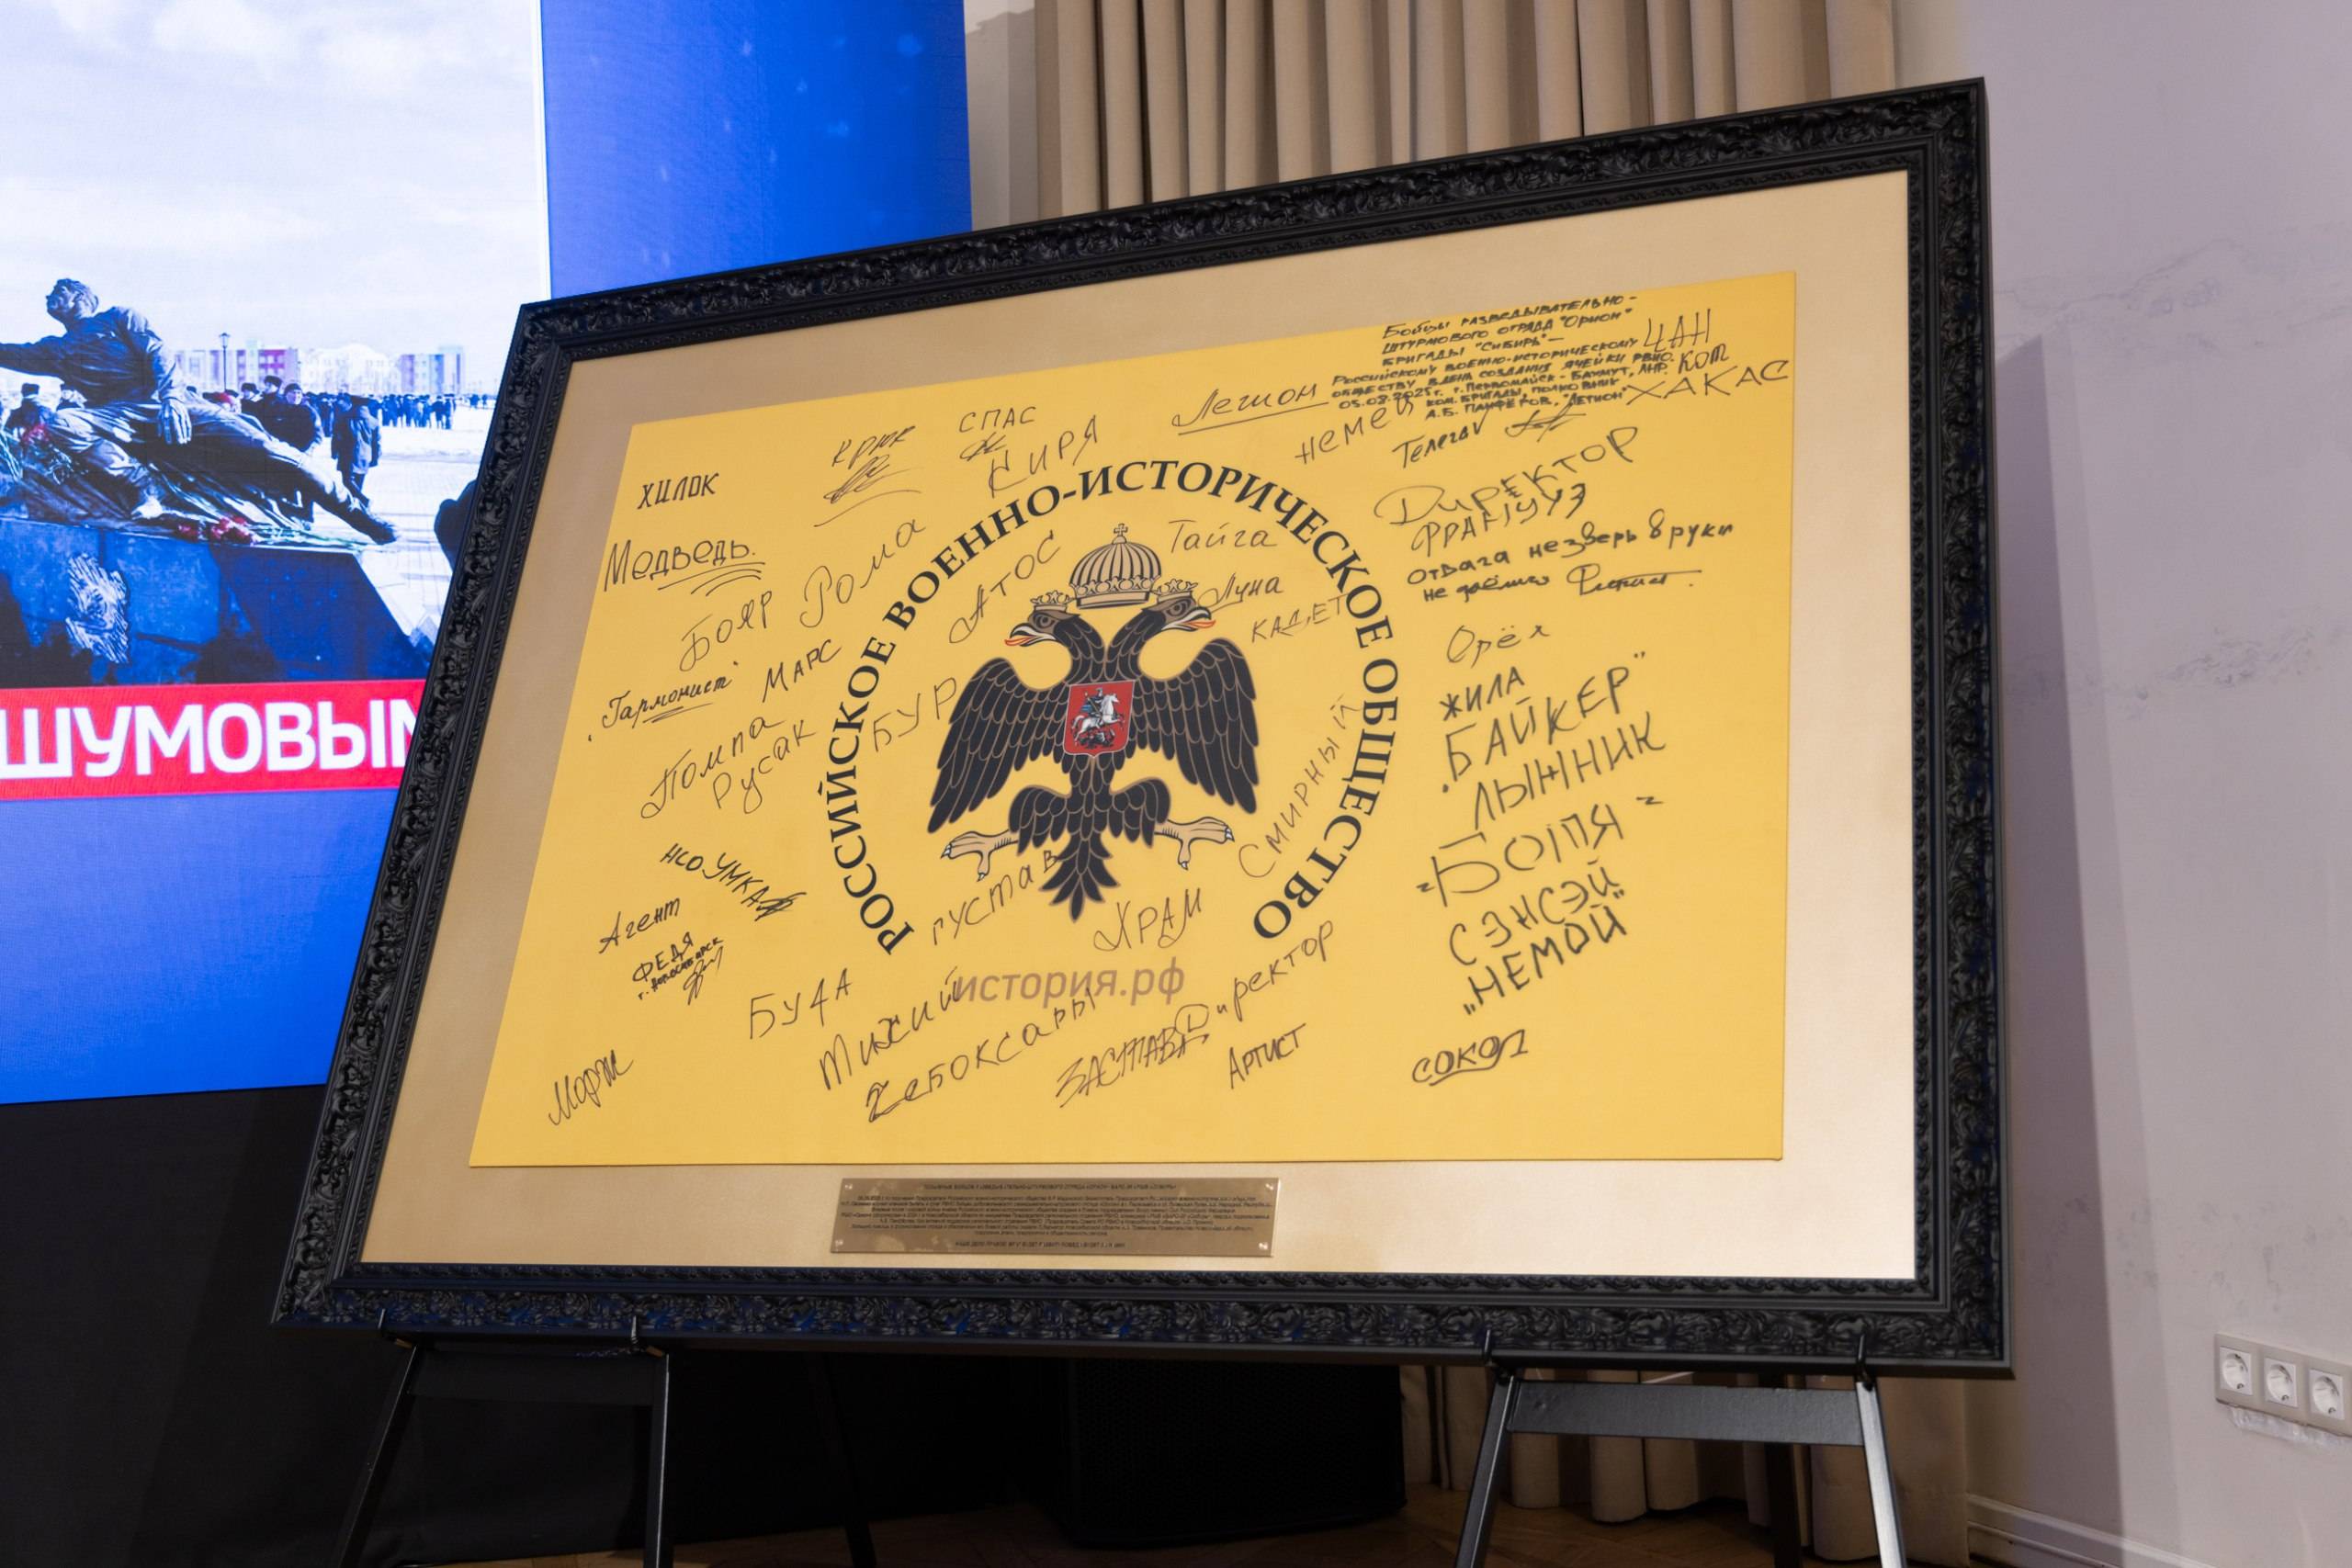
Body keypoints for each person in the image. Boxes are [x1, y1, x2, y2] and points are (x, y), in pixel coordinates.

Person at [0, 278, 393, 541]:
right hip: (118, 416)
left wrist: (172, 398)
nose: (49, 297)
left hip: (173, 402)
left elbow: (159, 355)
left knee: (270, 452)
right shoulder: (53, 349)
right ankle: (143, 485)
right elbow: (8, 353)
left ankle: (355, 514)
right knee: (64, 423)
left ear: (81, 298)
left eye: (58, 291)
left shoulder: (117, 318)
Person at [332, 394, 381, 497]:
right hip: (365, 456)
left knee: (347, 482)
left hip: (346, 454)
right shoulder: (373, 421)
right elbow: (376, 443)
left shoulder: (343, 418)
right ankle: (357, 503)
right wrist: (375, 458)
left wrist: (334, 452)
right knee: (359, 484)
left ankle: (363, 500)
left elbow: (336, 437)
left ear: (352, 403)